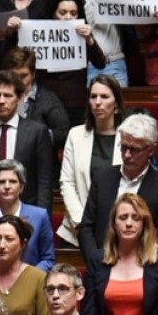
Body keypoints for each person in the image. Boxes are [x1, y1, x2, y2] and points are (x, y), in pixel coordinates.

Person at [78, 113, 158, 270]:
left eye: (135, 150)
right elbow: (86, 227)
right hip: (100, 266)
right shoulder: (102, 178)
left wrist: (133, 267)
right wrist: (96, 261)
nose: (127, 155)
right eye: (124, 147)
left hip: (142, 269)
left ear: (151, 150)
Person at [0, 70, 54, 230]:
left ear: (20, 98)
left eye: (7, 95)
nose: (1, 101)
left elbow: (44, 183)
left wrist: (41, 222)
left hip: (27, 216)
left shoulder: (37, 132)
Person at [57, 75, 124, 247]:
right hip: (76, 231)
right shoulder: (75, 135)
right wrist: (82, 223)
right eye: (93, 97)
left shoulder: (127, 137)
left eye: (104, 96)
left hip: (117, 233)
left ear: (116, 103)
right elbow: (67, 182)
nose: (97, 102)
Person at [0, 159, 55, 272]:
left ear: (21, 187)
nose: (7, 186)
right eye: (1, 182)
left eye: (13, 181)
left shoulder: (40, 216)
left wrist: (29, 278)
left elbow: (48, 259)